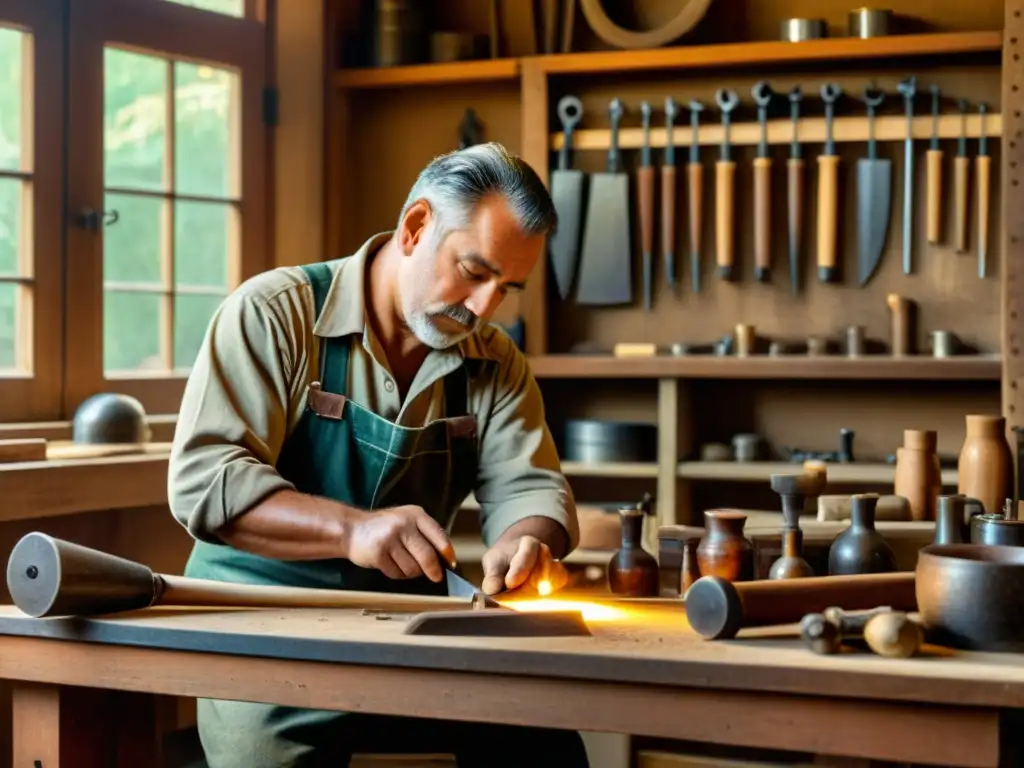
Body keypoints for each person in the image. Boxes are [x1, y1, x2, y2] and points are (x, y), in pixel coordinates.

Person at [167, 142, 590, 768]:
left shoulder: (494, 363)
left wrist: (528, 543)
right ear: (416, 227)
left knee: (543, 742)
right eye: (474, 272)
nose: (483, 308)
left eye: (507, 287)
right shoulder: (274, 314)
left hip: (414, 628)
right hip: (261, 631)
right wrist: (351, 531)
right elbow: (204, 484)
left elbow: (529, 489)